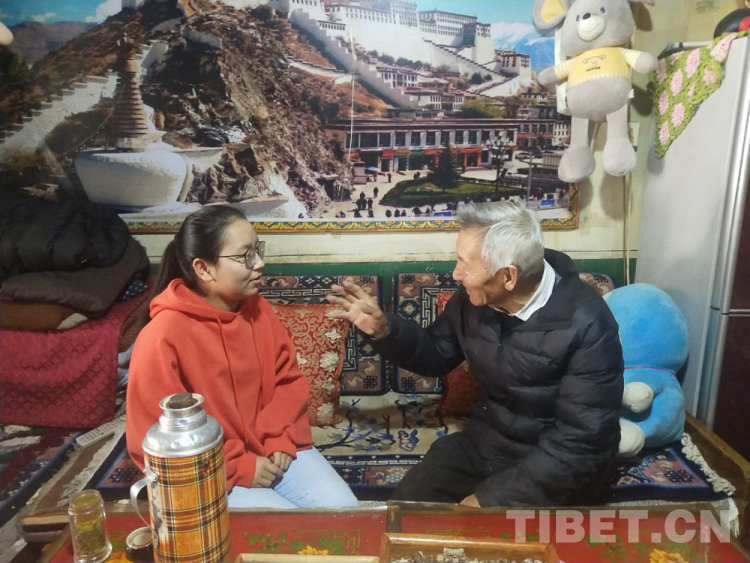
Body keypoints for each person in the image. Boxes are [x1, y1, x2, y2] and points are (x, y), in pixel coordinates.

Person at [326, 202, 623, 507]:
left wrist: (488, 500)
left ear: (508, 276)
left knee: (481, 530)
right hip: (486, 444)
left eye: (465, 264)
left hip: (554, 465)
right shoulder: (475, 299)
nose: (456, 274)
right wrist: (384, 329)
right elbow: (437, 352)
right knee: (406, 511)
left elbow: (582, 443)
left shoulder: (588, 324)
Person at [126, 206, 358, 509]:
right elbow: (156, 437)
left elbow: (287, 380)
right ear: (204, 269)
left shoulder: (257, 308)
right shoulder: (161, 336)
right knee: (285, 534)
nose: (260, 263)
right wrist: (237, 466)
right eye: (245, 256)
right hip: (213, 468)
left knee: (347, 515)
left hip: (273, 447)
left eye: (258, 250)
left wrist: (280, 437)